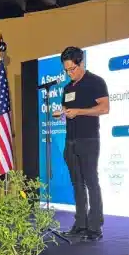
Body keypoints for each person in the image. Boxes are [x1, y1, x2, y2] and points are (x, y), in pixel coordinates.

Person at [52, 46, 109, 241]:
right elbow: (68, 110)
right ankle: (80, 223)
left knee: (91, 181)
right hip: (70, 140)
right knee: (77, 183)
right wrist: (62, 113)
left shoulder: (95, 82)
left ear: (81, 63)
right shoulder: (67, 88)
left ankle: (95, 227)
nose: (69, 73)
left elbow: (104, 108)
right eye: (66, 70)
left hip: (88, 139)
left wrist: (79, 111)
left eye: (72, 69)